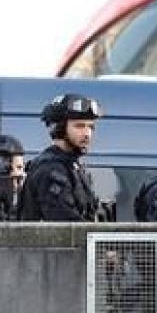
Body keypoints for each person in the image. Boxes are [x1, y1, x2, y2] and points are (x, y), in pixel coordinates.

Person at [18, 92, 106, 221]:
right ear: (59, 128)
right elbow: (66, 225)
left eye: (91, 127)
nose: (87, 133)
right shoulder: (50, 170)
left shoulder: (73, 166)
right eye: (79, 126)